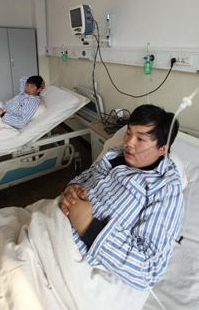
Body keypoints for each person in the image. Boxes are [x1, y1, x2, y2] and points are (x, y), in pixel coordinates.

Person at [59, 104, 186, 290]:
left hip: (72, 255)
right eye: (128, 133)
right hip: (51, 218)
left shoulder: (165, 190)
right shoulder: (113, 155)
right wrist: (71, 188)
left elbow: (148, 270)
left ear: (161, 150)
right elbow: (85, 177)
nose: (128, 143)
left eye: (140, 138)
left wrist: (87, 225)